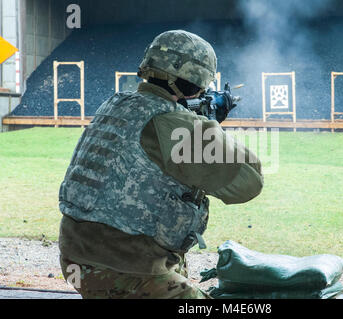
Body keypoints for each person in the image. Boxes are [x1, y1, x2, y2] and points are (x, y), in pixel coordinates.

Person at [58, 30, 264, 299]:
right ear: (197, 83)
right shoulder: (178, 125)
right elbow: (249, 181)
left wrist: (193, 120)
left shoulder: (116, 104)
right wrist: (209, 127)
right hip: (128, 271)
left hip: (78, 260)